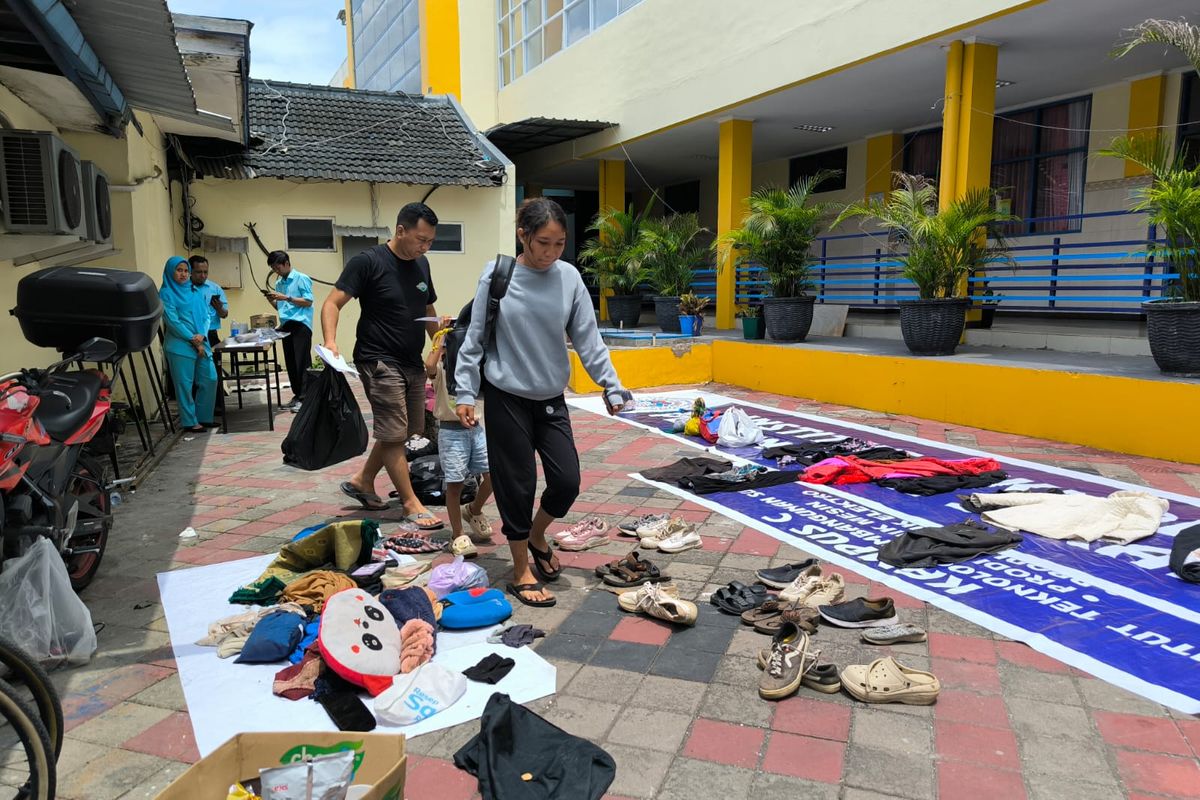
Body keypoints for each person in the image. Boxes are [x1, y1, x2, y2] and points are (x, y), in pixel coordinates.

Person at [454, 198, 628, 608]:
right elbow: (475, 337)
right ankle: (520, 569)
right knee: (516, 484)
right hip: (505, 395)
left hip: (550, 397)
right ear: (523, 236)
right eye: (543, 243)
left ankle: (536, 535)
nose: (551, 253)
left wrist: (611, 385)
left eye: (559, 243)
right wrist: (464, 391)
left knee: (567, 481)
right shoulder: (498, 276)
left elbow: (588, 336)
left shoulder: (568, 278)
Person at [321, 202, 445, 531]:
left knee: (409, 431)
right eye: (421, 239)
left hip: (411, 362)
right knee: (393, 435)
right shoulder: (368, 262)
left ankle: (363, 479)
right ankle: (409, 503)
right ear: (400, 230)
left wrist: (440, 342)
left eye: (430, 241)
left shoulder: (422, 264)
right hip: (378, 359)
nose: (425, 246)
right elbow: (332, 302)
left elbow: (427, 306)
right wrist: (331, 342)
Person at [426, 313, 494, 547]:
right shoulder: (442, 370)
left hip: (476, 429)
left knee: (493, 475)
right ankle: (457, 533)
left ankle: (474, 510)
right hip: (452, 431)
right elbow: (429, 366)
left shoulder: (473, 368)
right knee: (455, 484)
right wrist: (442, 336)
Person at [160, 256, 218, 433]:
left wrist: (202, 335)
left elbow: (207, 315)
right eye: (179, 270)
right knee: (184, 385)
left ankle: (204, 417)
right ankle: (189, 421)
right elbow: (173, 322)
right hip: (180, 346)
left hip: (201, 342)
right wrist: (193, 339)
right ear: (171, 272)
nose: (183, 274)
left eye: (186, 270)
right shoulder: (165, 293)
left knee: (210, 378)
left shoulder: (194, 291)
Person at [263, 251, 314, 412]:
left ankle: (306, 398)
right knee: (291, 363)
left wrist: (287, 298)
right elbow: (281, 308)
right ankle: (297, 395)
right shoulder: (279, 284)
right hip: (286, 325)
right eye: (273, 268)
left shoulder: (301, 278)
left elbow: (308, 301)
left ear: (286, 263)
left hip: (301, 325)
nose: (276, 271)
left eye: (277, 267)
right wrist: (273, 300)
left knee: (302, 362)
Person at [189, 255, 227, 410]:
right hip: (192, 335)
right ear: (190, 271)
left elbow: (224, 313)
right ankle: (195, 410)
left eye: (205, 272)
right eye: (198, 272)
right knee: (193, 374)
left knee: (214, 372)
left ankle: (216, 407)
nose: (203, 275)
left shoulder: (214, 288)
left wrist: (218, 308)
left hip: (210, 334)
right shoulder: (185, 289)